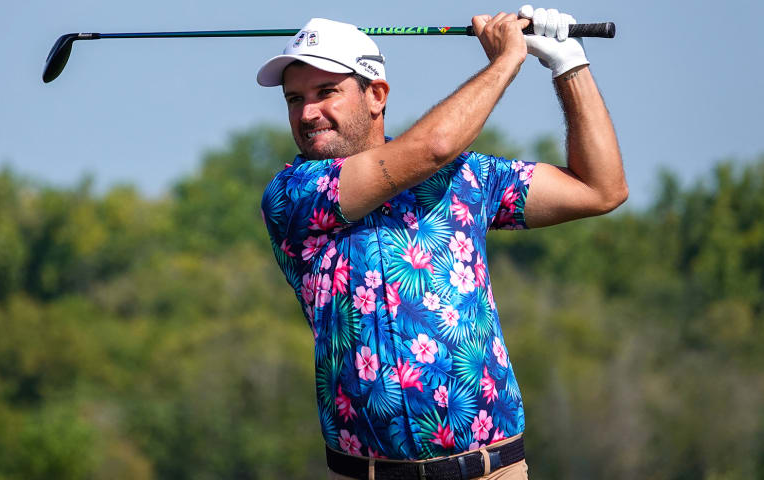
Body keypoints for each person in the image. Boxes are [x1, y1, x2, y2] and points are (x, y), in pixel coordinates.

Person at [258, 6, 626, 479]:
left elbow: (602, 188)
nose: (308, 113)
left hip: (493, 471)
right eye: (294, 99)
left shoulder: (464, 176)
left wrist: (568, 67)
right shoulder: (294, 194)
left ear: (376, 95)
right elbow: (431, 147)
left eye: (326, 92)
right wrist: (505, 61)